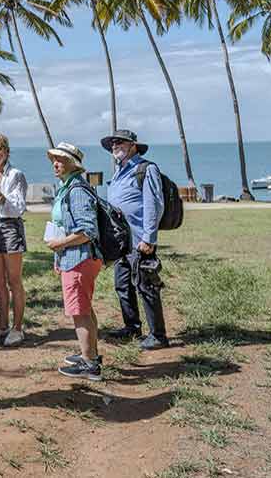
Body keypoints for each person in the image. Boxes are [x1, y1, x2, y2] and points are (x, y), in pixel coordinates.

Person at [103, 129, 168, 350]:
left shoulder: (145, 169)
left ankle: (158, 335)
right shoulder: (119, 171)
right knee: (122, 285)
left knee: (146, 286)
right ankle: (132, 327)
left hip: (140, 241)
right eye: (112, 143)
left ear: (133, 145)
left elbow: (153, 205)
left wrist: (149, 238)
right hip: (121, 242)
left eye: (120, 142)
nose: (115, 146)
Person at [44, 143, 103, 381]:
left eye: (61, 160)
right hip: (75, 258)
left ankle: (90, 364)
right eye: (54, 159)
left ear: (73, 164)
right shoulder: (69, 187)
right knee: (85, 308)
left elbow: (88, 230)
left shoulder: (76, 190)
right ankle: (90, 355)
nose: (55, 163)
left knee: (79, 311)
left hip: (79, 258)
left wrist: (61, 244)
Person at [0, 135, 28, 347]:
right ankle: (2, 326)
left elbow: (17, 208)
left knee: (14, 281)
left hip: (10, 227)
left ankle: (17, 329)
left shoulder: (16, 175)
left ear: (7, 151)